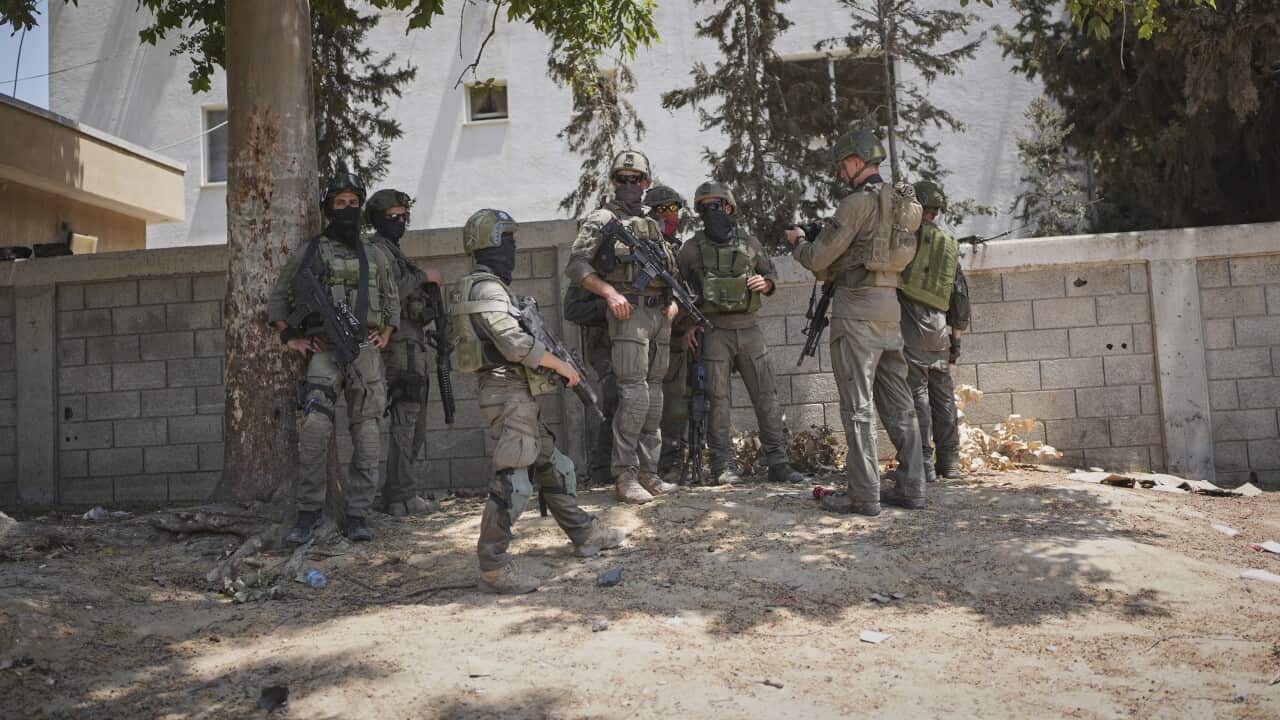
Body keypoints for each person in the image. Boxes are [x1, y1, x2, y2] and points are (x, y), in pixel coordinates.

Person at [448, 208, 626, 594]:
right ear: (489, 244)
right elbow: (513, 344)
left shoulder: (486, 285)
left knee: (555, 465)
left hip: (517, 391)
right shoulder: (486, 288)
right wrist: (559, 365)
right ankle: (494, 566)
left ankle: (584, 534)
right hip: (506, 391)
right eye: (507, 241)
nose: (512, 249)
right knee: (515, 479)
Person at [784, 128, 925, 516]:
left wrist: (798, 242)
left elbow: (818, 258)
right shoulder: (900, 201)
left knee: (858, 407)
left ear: (855, 161)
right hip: (890, 309)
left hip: (857, 312)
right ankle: (913, 486)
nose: (840, 172)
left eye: (842, 164)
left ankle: (864, 495)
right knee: (901, 405)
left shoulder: (855, 204)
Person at [269, 174, 399, 543]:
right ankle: (309, 512)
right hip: (325, 350)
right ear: (329, 208)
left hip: (365, 354)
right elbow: (279, 298)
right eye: (339, 203)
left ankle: (357, 514)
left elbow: (391, 302)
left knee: (369, 434)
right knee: (314, 429)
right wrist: (290, 336)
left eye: (353, 202)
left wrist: (385, 333)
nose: (347, 209)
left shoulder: (375, 253)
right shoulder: (312, 251)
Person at [565, 150, 681, 504]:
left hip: (658, 316)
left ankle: (649, 472)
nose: (629, 185)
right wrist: (610, 292)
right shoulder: (602, 219)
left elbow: (670, 274)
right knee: (633, 395)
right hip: (628, 314)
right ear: (614, 181)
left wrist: (674, 302)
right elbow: (576, 266)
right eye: (622, 179)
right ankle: (625, 474)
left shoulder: (651, 224)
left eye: (636, 179)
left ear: (647, 183)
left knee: (655, 396)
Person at [679, 181, 805, 485]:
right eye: (705, 207)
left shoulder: (749, 243)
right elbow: (680, 292)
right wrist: (688, 325)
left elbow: (771, 272)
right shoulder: (691, 249)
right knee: (717, 401)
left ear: (729, 208)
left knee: (766, 397)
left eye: (717, 205)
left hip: (749, 330)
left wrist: (768, 283)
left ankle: (778, 462)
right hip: (713, 332)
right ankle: (723, 466)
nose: (712, 212)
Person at [363, 188, 444, 515]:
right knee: (406, 421)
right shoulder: (375, 250)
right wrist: (426, 277)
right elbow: (390, 289)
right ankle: (401, 495)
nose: (399, 222)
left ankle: (399, 494)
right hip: (399, 349)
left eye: (403, 216)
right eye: (392, 217)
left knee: (412, 422)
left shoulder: (392, 251)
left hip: (411, 346)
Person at [898, 181, 970, 481]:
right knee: (942, 393)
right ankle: (950, 462)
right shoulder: (949, 244)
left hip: (909, 324)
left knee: (917, 395)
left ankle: (924, 463)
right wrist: (956, 341)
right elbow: (961, 297)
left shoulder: (905, 241)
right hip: (940, 326)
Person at [644, 185, 695, 482]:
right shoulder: (629, 249)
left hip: (673, 343)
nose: (669, 217)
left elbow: (693, 295)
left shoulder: (680, 251)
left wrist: (690, 323)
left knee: (675, 407)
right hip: (637, 342)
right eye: (662, 210)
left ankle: (672, 465)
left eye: (673, 210)